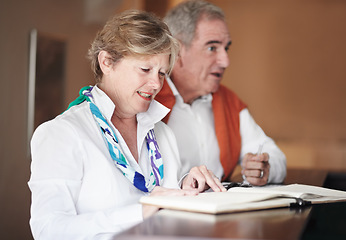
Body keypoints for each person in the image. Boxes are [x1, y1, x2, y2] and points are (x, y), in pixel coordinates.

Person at [28, 10, 225, 240]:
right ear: (106, 62)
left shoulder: (163, 133)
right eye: (145, 69)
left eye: (162, 73)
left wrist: (186, 186)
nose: (155, 84)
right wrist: (141, 211)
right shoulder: (61, 134)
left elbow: (165, 202)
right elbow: (47, 229)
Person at [155, 0, 287, 186]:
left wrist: (264, 168)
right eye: (212, 48)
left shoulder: (228, 101)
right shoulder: (148, 99)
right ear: (177, 50)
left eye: (226, 48)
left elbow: (273, 154)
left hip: (223, 212)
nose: (225, 61)